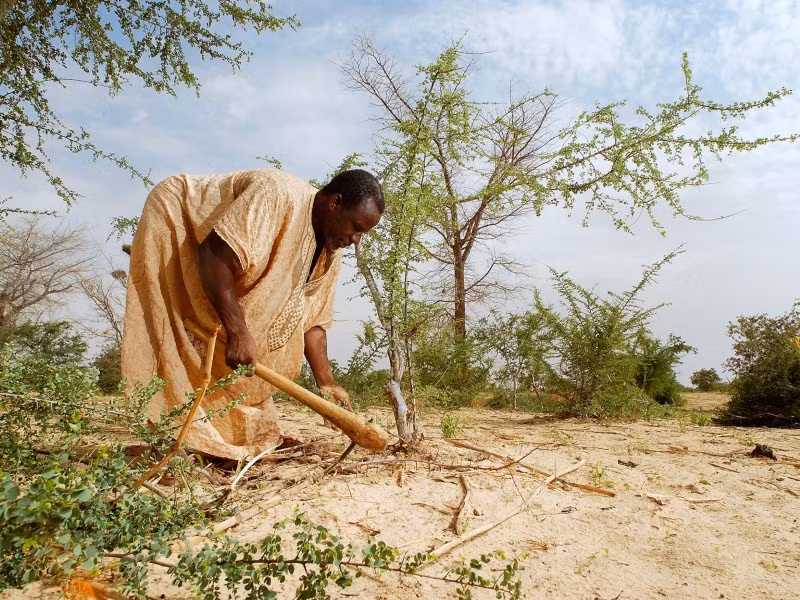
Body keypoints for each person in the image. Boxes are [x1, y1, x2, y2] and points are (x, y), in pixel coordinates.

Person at [121, 168, 384, 460]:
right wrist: (238, 330)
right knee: (175, 332)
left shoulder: (332, 250)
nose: (357, 240)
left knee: (251, 344)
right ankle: (170, 438)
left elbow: (312, 321)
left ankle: (218, 439)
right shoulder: (274, 194)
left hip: (221, 263)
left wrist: (327, 382)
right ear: (335, 203)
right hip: (177, 224)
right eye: (356, 227)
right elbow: (214, 255)